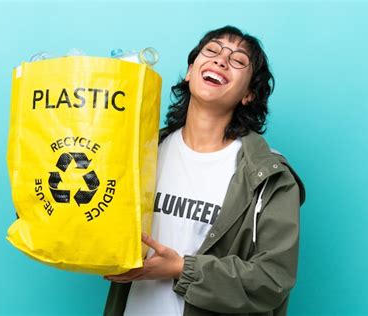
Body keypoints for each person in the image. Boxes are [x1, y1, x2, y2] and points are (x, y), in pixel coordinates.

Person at [104, 25, 306, 316]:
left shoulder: (270, 177)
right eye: (211, 51)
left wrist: (180, 269)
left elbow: (272, 280)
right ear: (190, 72)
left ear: (249, 94)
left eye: (238, 60)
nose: (221, 60)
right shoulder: (141, 151)